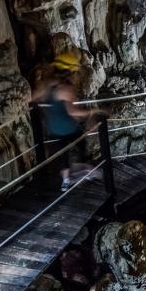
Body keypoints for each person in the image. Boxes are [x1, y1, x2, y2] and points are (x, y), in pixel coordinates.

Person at [31, 50, 101, 189]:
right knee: (81, 143)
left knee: (61, 154)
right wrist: (93, 111)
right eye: (74, 72)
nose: (75, 75)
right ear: (69, 71)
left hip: (52, 128)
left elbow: (33, 97)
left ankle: (66, 181)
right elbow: (73, 112)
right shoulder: (66, 88)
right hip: (68, 127)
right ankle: (86, 170)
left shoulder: (47, 84)